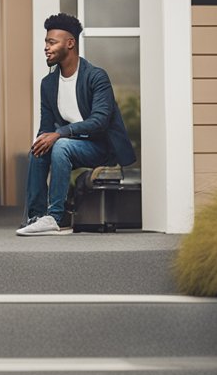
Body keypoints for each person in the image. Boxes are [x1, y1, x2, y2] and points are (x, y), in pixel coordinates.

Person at [17, 13, 137, 236]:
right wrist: (44, 140)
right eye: (46, 42)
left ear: (70, 43)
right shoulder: (48, 83)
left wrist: (60, 133)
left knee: (60, 144)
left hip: (100, 148)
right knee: (37, 149)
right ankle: (36, 217)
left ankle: (55, 217)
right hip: (71, 145)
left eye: (52, 42)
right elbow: (46, 127)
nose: (46, 47)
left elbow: (100, 121)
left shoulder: (96, 77)